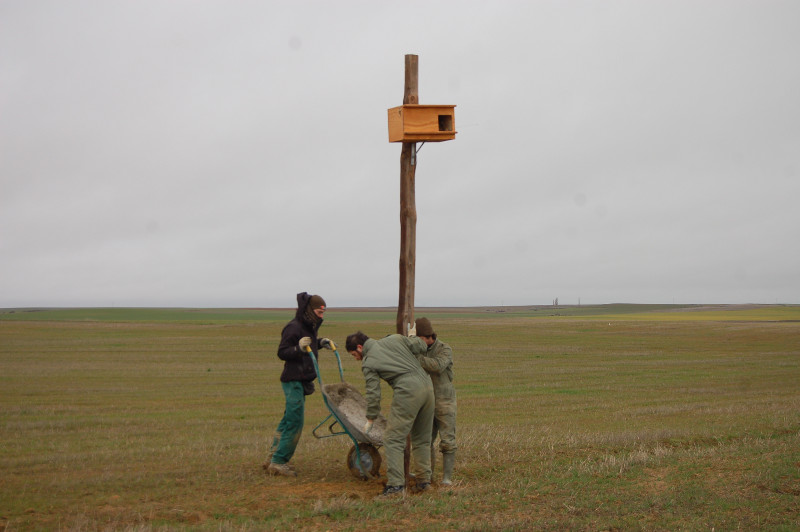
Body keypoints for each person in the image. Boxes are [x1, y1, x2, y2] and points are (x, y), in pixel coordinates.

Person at [345, 329, 435, 496]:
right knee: (422, 438)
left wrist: (371, 417)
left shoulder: (369, 361)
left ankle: (395, 486)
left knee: (392, 438)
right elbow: (422, 345)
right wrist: (413, 336)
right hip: (428, 387)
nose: (356, 359)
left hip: (409, 390)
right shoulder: (394, 339)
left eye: (354, 355)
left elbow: (373, 394)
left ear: (359, 347)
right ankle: (424, 482)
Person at [265, 292, 333, 477]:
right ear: (310, 311)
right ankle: (279, 462)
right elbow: (282, 352)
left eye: (323, 312)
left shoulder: (309, 327)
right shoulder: (293, 327)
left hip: (302, 381)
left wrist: (320, 343)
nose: (322, 316)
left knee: (288, 419)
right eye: (320, 312)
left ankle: (272, 455)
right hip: (293, 380)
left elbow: (308, 346)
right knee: (295, 421)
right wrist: (298, 348)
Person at [414, 317, 457, 486]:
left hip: (444, 399)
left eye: (418, 339)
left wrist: (416, 358)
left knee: (447, 440)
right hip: (425, 399)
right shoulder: (420, 349)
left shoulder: (444, 349)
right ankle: (427, 475)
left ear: (426, 336)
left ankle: (447, 478)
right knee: (425, 440)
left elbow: (437, 366)